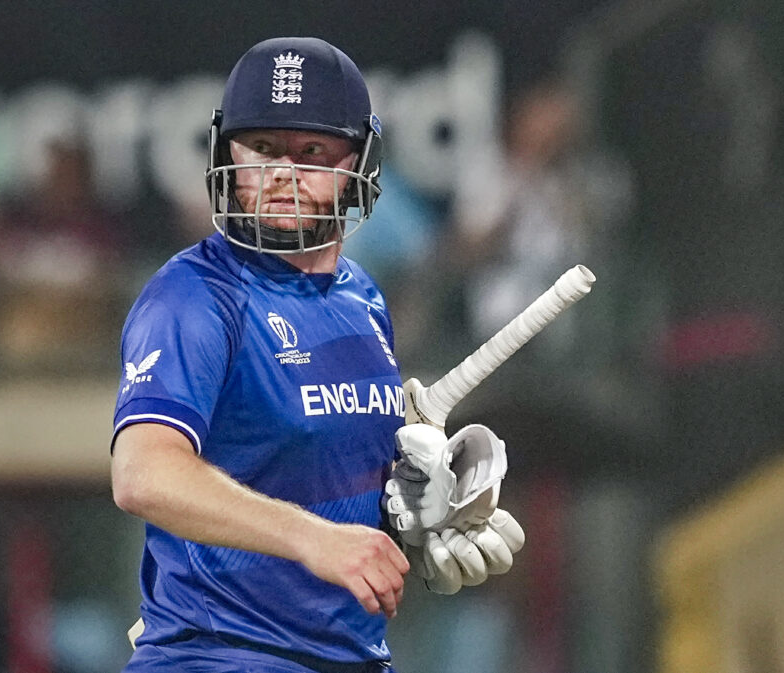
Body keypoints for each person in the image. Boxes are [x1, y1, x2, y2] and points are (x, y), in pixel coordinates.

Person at [110, 37, 521, 673]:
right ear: (229, 156)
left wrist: (418, 512)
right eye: (264, 148)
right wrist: (313, 540)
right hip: (223, 657)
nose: (283, 173)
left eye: (311, 151)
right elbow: (144, 475)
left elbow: (323, 482)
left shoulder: (363, 299)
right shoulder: (195, 296)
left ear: (358, 162)